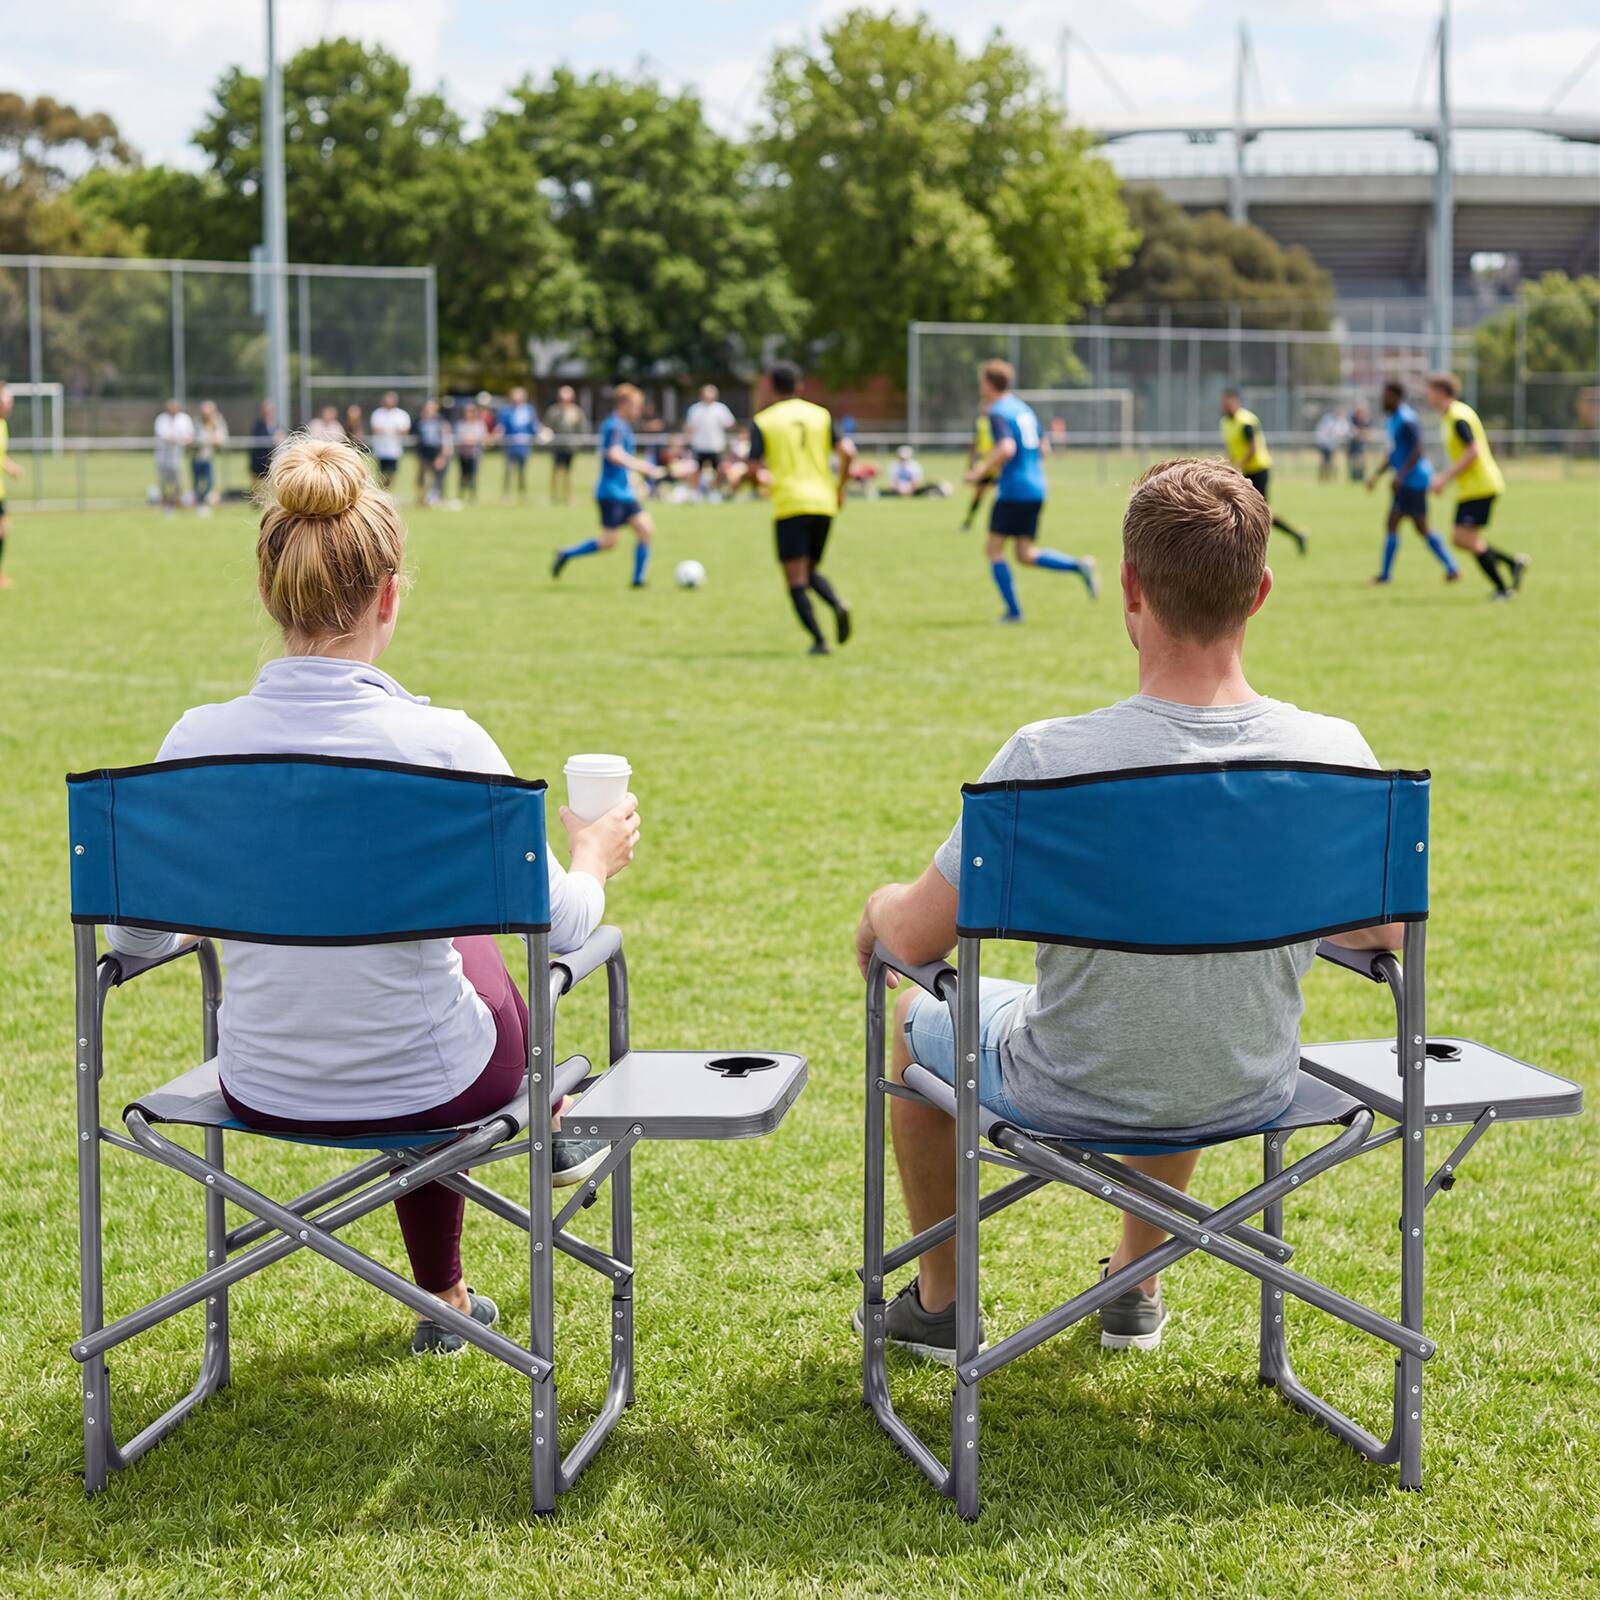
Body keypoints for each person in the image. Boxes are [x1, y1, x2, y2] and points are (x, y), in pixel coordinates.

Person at [852, 456, 1403, 1362]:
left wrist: (875, 906)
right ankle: (1135, 1282)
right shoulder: (1334, 754)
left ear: (1129, 586)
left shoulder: (1046, 758)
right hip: (1253, 1082)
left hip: (1062, 1082)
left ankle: (943, 1304)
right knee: (1192, 985)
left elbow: (909, 938)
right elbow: (1389, 939)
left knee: (912, 1010)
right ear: (1260, 592)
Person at [103, 434, 641, 1356]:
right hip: (436, 1081)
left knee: (425, 961)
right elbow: (559, 927)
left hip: (260, 1083)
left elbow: (136, 937)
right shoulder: (446, 745)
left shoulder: (195, 741)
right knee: (453, 959)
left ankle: (451, 1295)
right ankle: (553, 1107)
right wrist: (591, 854)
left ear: (271, 594)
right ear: (389, 595)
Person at [967, 360, 1097, 623]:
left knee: (994, 550)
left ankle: (1014, 612)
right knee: (1025, 554)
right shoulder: (1023, 409)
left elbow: (1006, 448)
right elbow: (1043, 448)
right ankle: (1078, 566)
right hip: (1036, 487)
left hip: (1014, 490)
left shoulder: (998, 412)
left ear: (989, 384)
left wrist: (979, 472)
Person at [750, 360, 856, 655]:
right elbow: (848, 451)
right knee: (809, 570)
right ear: (799, 385)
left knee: (794, 578)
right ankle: (837, 603)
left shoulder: (765, 420)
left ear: (770, 385)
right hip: (824, 502)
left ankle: (820, 640)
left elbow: (753, 466)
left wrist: (759, 481)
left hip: (790, 504)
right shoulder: (820, 415)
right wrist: (840, 487)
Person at [1423, 372, 1527, 601]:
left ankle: (1503, 588)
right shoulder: (1451, 415)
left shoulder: (1458, 417)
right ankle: (1512, 564)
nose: (1426, 396)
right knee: (1462, 539)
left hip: (1481, 485)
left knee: (1464, 539)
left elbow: (1473, 451)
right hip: (1472, 487)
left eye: (1429, 391)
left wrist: (1444, 478)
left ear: (1441, 392)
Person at [551, 383, 664, 587]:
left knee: (646, 529)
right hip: (611, 493)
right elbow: (614, 454)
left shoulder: (622, 426)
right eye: (635, 406)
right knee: (609, 542)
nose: (638, 411)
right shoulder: (614, 426)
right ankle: (566, 553)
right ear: (623, 404)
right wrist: (643, 467)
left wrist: (636, 481)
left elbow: (622, 462)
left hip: (624, 492)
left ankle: (638, 581)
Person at [1367, 380, 1460, 587]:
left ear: (1396, 397)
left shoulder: (1407, 419)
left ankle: (1386, 575)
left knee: (1398, 524)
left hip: (1414, 480)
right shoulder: (1393, 420)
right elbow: (1393, 454)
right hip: (1406, 481)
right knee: (1418, 527)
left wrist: (1401, 475)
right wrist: (1377, 476)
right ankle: (1452, 568)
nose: (1383, 399)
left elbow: (1419, 449)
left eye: (1386, 395)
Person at [1218, 390, 1308, 554]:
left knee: (1260, 512)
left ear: (1236, 402)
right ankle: (1294, 536)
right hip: (1242, 471)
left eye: (1228, 402)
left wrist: (1239, 465)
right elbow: (1230, 447)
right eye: (1223, 403)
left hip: (1258, 470)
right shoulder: (1225, 422)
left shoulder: (1246, 421)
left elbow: (1253, 448)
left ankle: (1257, 548)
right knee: (1248, 510)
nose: (1225, 406)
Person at [682, 385, 736, 496]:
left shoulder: (721, 409)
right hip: (699, 445)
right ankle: (695, 493)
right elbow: (689, 426)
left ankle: (715, 491)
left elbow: (730, 423)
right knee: (696, 470)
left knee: (719, 470)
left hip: (716, 445)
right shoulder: (695, 409)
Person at [495, 387, 541, 502]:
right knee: (509, 470)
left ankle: (522, 493)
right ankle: (506, 494)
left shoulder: (529, 410)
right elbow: (501, 426)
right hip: (510, 445)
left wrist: (541, 432)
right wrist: (497, 434)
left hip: (524, 446)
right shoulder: (506, 411)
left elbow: (534, 425)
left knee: (523, 471)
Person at [545, 385, 588, 505]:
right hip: (557, 446)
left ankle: (568, 495)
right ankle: (554, 495)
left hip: (570, 447)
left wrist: (579, 441)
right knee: (556, 471)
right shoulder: (553, 411)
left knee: (569, 472)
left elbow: (582, 428)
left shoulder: (576, 411)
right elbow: (547, 426)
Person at [960, 405, 998, 532]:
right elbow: (974, 444)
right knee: (978, 494)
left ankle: (1001, 525)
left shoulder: (1000, 421)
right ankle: (968, 521)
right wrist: (971, 465)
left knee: (1004, 495)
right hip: (986, 465)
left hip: (1000, 464)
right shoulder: (980, 424)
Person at [154, 399, 195, 513]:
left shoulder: (184, 419)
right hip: (162, 456)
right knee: (163, 481)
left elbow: (189, 436)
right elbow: (163, 436)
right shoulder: (161, 418)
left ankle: (176, 502)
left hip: (177, 456)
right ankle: (165, 503)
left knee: (178, 481)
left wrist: (176, 439)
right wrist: (177, 439)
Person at [0, 383, 22, 589]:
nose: (9, 405)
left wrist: (10, 467)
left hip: (0, 491)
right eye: (5, 400)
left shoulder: (3, 425)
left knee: (4, 530)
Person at [191, 400, 228, 513]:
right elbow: (194, 438)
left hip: (208, 458)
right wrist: (210, 439)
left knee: (209, 482)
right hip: (196, 458)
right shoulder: (196, 422)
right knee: (196, 484)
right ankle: (199, 505)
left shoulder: (216, 422)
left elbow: (222, 438)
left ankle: (203, 503)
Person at [368, 392, 410, 488]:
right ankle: (381, 489)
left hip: (394, 449)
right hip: (381, 449)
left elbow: (405, 430)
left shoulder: (401, 414)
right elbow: (376, 428)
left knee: (392, 472)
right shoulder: (378, 413)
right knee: (381, 472)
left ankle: (386, 487)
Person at [414, 399, 450, 507]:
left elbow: (445, 437)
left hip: (436, 452)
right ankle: (421, 497)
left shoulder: (440, 420)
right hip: (423, 452)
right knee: (422, 476)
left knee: (437, 477)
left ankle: (435, 497)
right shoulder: (420, 420)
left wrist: (442, 455)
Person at [453, 400, 487, 503]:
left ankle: (472, 497)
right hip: (463, 454)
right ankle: (461, 496)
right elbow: (459, 437)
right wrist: (468, 439)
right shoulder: (461, 424)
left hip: (474, 454)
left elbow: (480, 438)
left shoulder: (479, 424)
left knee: (473, 476)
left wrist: (470, 440)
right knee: (463, 476)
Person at [249, 401, 282, 482]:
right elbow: (259, 438)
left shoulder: (276, 425)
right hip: (259, 466)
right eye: (266, 411)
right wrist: (272, 439)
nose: (268, 413)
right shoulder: (258, 426)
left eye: (270, 411)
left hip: (272, 465)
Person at [1313, 409, 1347, 482]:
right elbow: (1322, 431)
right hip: (1324, 443)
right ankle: (1322, 478)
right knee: (1324, 462)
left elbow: (1343, 432)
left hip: (1333, 444)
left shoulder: (1341, 421)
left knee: (1332, 462)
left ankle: (1331, 478)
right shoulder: (1327, 419)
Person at [1346, 405, 1370, 483]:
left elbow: (1368, 432)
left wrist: (1360, 433)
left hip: (1361, 442)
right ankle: (1354, 477)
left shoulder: (1365, 420)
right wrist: (1360, 432)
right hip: (1354, 442)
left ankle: (1361, 476)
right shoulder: (1352, 419)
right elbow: (1353, 431)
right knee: (1354, 460)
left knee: (1361, 460)